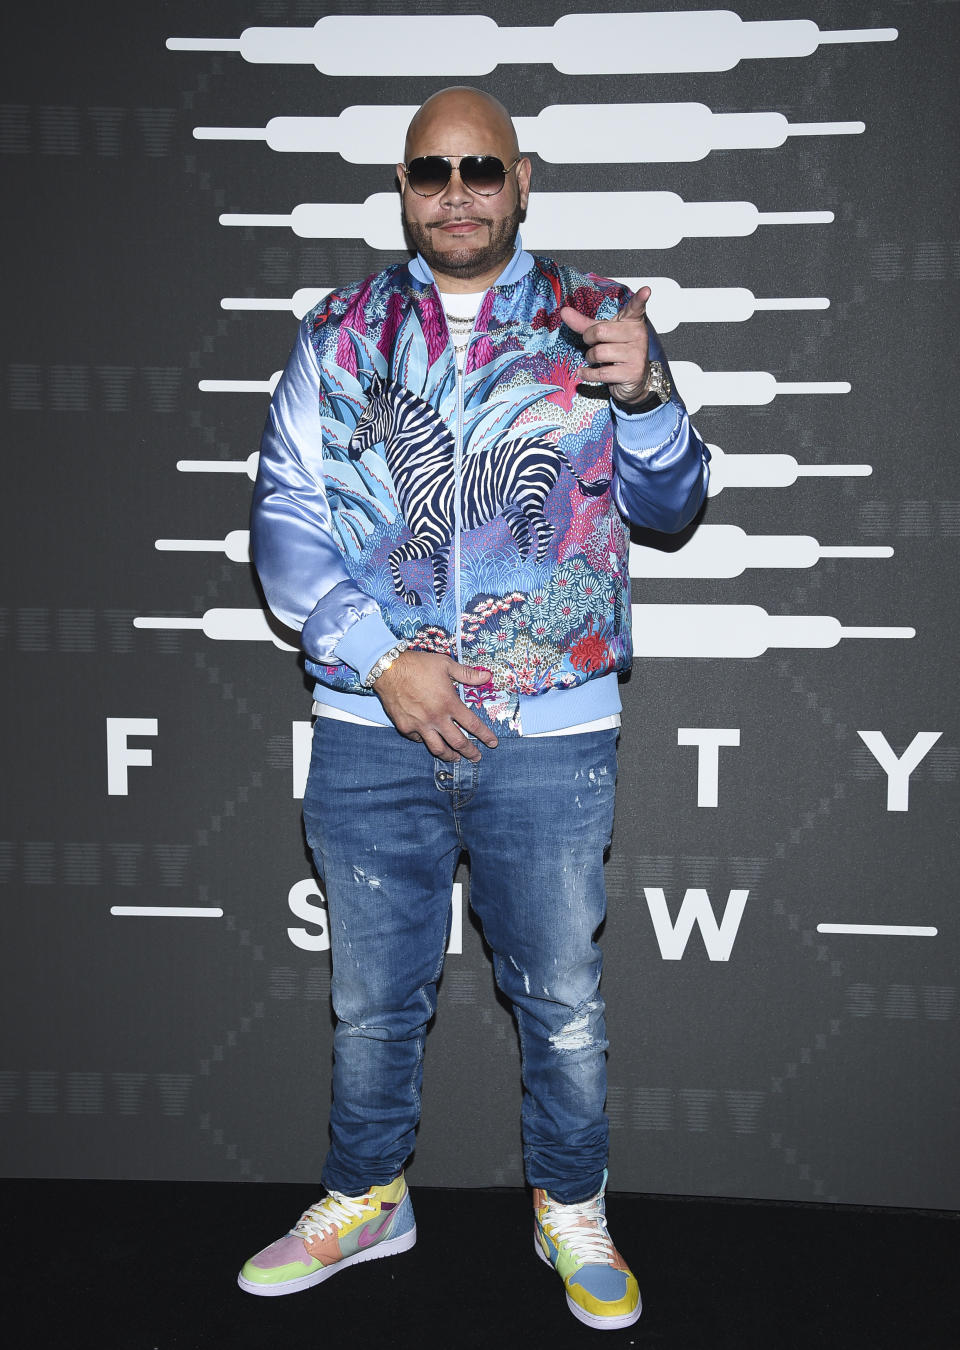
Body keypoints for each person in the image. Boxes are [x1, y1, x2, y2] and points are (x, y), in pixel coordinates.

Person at [240, 86, 709, 1331]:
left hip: (550, 731)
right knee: (367, 1000)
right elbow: (286, 518)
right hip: (367, 725)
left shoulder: (598, 322)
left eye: (481, 169)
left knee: (559, 999)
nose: (457, 191)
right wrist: (381, 658)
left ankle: (571, 1211)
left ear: (524, 177)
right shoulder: (336, 332)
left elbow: (671, 505)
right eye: (430, 170)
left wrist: (650, 398)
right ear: (403, 186)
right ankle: (366, 1198)